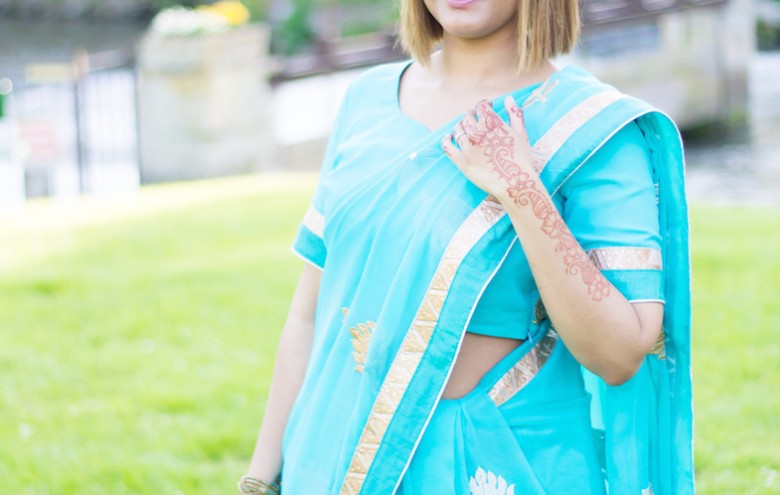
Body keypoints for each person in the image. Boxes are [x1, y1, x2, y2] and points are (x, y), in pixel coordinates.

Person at [239, 0, 692, 494]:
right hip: (332, 453)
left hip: (491, 462)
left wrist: (521, 190)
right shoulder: (367, 98)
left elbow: (620, 352)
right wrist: (261, 479)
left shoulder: (590, 127)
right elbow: (310, 314)